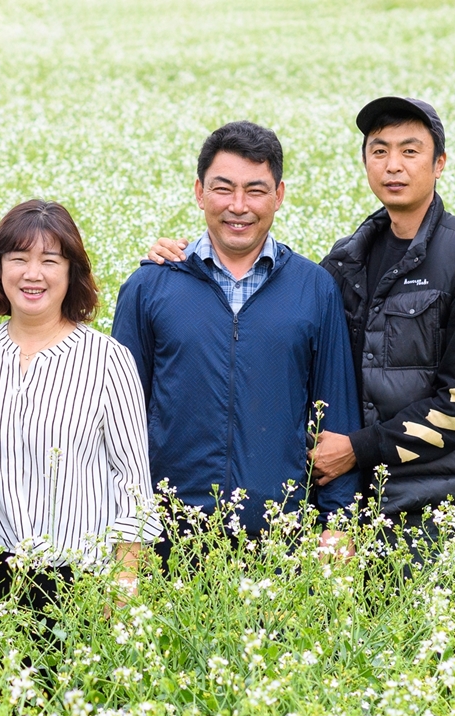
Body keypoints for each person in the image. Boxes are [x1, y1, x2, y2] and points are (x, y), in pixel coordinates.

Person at [116, 121, 360, 560]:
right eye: (223, 189)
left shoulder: (315, 288)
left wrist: (337, 521)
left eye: (256, 190)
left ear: (279, 196)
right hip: (167, 537)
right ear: (199, 192)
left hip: (279, 536)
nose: (238, 206)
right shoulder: (149, 286)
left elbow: (336, 413)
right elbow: (120, 416)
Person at [308, 97, 455, 554]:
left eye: (409, 151)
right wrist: (186, 261)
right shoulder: (345, 259)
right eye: (379, 151)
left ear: (439, 163)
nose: (392, 165)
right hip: (350, 497)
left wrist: (357, 450)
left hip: (437, 501)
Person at [0, 200, 161, 609]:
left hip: (81, 583)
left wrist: (122, 586)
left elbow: (132, 485)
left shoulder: (107, 358)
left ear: (71, 273)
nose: (33, 274)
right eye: (18, 259)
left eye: (50, 260)